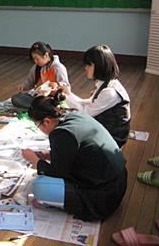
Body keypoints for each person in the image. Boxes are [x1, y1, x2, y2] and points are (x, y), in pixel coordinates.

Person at [22, 91, 127, 221]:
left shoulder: (61, 133)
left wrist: (34, 159)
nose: (39, 129)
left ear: (47, 121)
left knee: (40, 187)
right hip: (118, 181)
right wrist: (47, 155)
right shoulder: (74, 115)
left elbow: (57, 172)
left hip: (104, 197)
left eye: (37, 125)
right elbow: (78, 150)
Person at [61, 45, 130, 147]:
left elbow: (86, 113)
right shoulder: (106, 83)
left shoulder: (110, 92)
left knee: (68, 128)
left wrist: (66, 96)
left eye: (89, 65)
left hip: (112, 138)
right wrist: (68, 93)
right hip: (105, 129)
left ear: (99, 66)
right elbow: (88, 102)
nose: (85, 68)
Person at [11, 41, 70, 109]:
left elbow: (66, 89)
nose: (35, 61)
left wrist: (55, 87)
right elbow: (30, 81)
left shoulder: (58, 68)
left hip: (52, 99)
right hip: (39, 97)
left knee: (46, 104)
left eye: (37, 59)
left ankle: (41, 107)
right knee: (16, 99)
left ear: (46, 55)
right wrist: (24, 86)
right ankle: (39, 107)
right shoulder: (37, 67)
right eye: (34, 59)